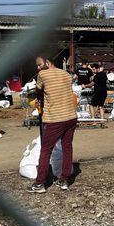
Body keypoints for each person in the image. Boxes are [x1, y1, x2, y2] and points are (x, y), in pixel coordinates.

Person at [30, 56, 78, 193]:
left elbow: (38, 90)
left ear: (47, 62)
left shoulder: (43, 74)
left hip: (55, 119)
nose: (38, 68)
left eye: (39, 64)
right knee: (67, 147)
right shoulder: (66, 74)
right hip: (70, 117)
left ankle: (40, 183)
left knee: (46, 149)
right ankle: (64, 179)